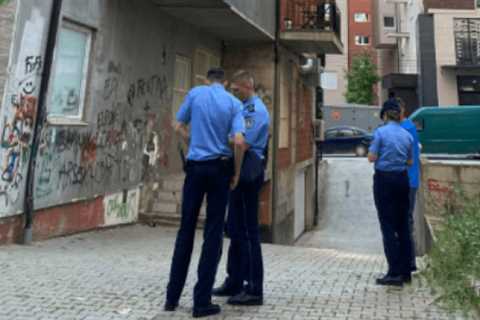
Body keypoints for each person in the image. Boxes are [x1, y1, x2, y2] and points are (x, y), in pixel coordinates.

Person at [164, 68, 246, 318]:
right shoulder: (233, 102)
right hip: (220, 169)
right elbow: (239, 141)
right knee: (212, 234)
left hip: (195, 169)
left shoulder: (195, 94)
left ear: (207, 79)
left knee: (185, 230)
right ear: (227, 82)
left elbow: (177, 124)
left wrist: (192, 140)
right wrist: (237, 172)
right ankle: (201, 302)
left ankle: (172, 298)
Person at [213, 70, 270, 306]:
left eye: (236, 90)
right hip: (237, 169)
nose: (233, 93)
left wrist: (220, 137)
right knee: (235, 229)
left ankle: (254, 288)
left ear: (248, 86)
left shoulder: (256, 111)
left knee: (249, 232)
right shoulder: (241, 109)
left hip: (247, 170)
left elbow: (242, 143)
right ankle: (234, 279)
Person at [368, 98, 414, 287]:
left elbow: (372, 157)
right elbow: (410, 162)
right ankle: (406, 272)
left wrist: (379, 155)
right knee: (403, 225)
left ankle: (393, 273)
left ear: (385, 115)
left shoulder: (380, 133)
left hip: (384, 180)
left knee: (387, 225)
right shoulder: (407, 135)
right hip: (402, 179)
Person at [398, 98, 420, 273]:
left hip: (406, 180)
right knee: (406, 220)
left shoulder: (404, 129)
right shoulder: (410, 127)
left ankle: (407, 262)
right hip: (410, 180)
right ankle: (409, 262)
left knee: (404, 220)